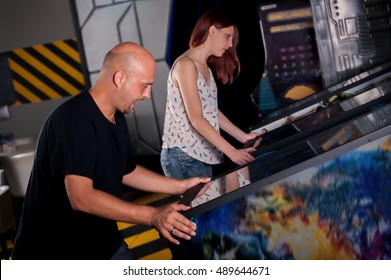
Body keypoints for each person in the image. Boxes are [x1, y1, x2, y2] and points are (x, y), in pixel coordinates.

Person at [11, 42, 211, 260]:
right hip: (55, 254)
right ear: (120, 78)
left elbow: (126, 171)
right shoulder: (74, 120)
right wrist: (153, 215)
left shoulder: (116, 116)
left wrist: (179, 186)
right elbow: (81, 197)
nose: (147, 95)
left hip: (101, 243)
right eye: (144, 86)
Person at [160, 11, 261, 202]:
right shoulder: (185, 65)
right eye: (227, 36)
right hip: (184, 155)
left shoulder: (203, 66)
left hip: (200, 152)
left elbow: (211, 111)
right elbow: (197, 118)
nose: (230, 44)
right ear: (213, 30)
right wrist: (231, 151)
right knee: (208, 218)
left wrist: (242, 136)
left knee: (226, 207)